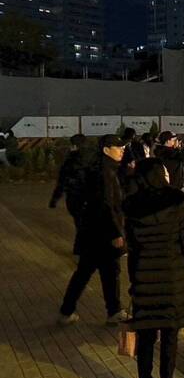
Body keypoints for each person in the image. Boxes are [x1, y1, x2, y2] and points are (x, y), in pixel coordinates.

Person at [123, 158, 184, 378]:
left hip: (145, 278)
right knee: (170, 334)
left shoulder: (132, 206)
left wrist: (133, 279)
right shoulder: (176, 201)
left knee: (146, 335)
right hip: (173, 276)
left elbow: (132, 249)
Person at [59, 135, 129, 325]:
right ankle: (110, 311)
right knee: (103, 271)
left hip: (93, 231)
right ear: (106, 150)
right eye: (118, 147)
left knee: (93, 272)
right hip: (102, 233)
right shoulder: (104, 172)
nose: (122, 150)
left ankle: (69, 311)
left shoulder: (104, 168)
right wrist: (115, 232)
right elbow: (106, 205)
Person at [49, 134, 94, 254]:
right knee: (88, 224)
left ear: (74, 145)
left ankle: (81, 249)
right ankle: (84, 249)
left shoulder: (70, 161)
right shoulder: (95, 157)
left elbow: (62, 182)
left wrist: (55, 199)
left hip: (75, 197)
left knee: (80, 224)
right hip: (91, 197)